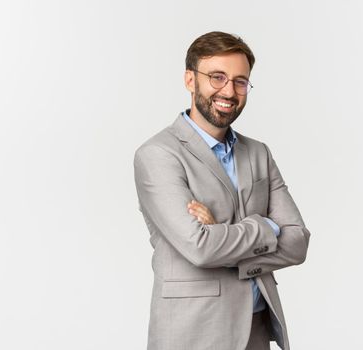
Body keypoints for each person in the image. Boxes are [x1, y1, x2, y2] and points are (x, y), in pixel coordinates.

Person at [133, 31, 311, 350]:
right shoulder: (158, 155)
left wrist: (221, 232)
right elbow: (200, 247)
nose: (229, 90)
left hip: (256, 330)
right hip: (195, 333)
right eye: (217, 77)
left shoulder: (258, 153)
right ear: (190, 79)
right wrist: (267, 227)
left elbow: (298, 241)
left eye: (240, 81)